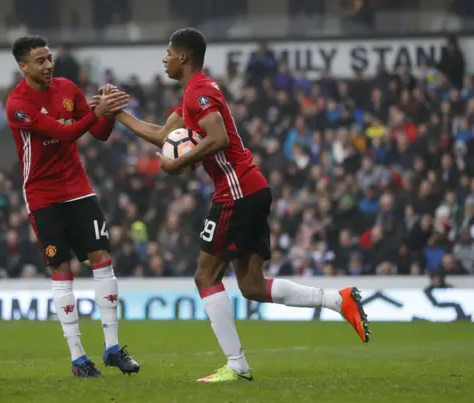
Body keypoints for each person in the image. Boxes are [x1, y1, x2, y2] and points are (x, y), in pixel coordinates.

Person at [116, 28, 370, 383]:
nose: (164, 58)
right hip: (248, 188)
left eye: (169, 52)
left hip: (236, 192)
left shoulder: (200, 93)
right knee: (251, 285)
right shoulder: (193, 93)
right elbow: (162, 135)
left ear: (184, 57)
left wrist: (177, 163)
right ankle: (338, 300)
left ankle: (236, 365)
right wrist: (119, 116)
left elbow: (218, 139)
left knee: (205, 275)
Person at [5, 35, 140, 378]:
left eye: (49, 58)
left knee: (102, 260)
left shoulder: (67, 88)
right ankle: (79, 356)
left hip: (78, 189)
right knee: (62, 270)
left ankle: (112, 348)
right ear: (23, 66)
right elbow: (65, 134)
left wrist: (105, 112)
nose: (48, 65)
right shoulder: (18, 104)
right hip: (42, 196)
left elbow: (99, 133)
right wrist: (97, 111)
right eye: (40, 61)